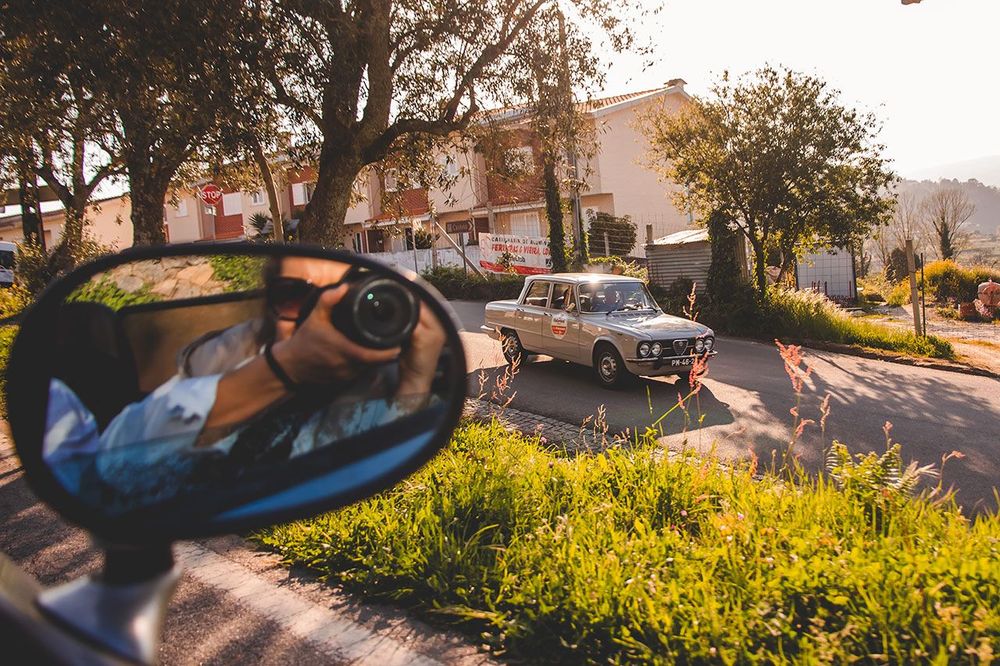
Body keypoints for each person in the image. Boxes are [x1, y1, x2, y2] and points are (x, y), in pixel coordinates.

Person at [42, 256, 448, 512]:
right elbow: (116, 468)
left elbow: (381, 463)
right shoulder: (216, 365)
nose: (316, 320)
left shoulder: (377, 382)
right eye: (296, 297)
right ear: (270, 309)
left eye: (338, 300)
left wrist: (415, 376)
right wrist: (280, 370)